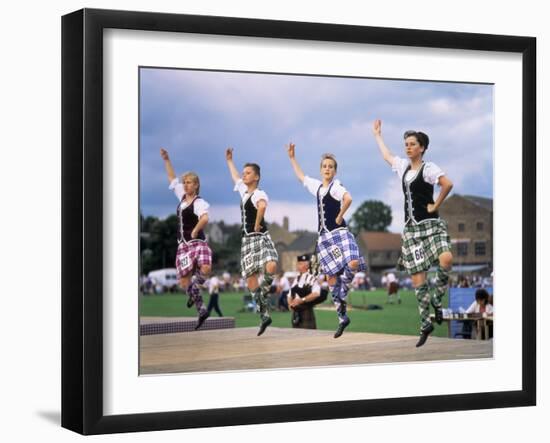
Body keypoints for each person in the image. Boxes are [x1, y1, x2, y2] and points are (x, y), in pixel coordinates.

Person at [372, 120, 454, 347]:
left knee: (446, 259)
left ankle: (437, 300)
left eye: (412, 144)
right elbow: (387, 155)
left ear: (422, 148)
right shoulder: (402, 168)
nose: (407, 147)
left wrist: (436, 205)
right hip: (411, 229)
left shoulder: (429, 168)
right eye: (406, 144)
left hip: (430, 225)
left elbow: (447, 184)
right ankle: (425, 322)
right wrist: (378, 135)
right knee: (418, 278)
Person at [287, 143, 367, 338]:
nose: (327, 169)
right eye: (324, 166)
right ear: (321, 169)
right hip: (324, 238)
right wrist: (292, 158)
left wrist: (340, 216)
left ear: (335, 170)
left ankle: (344, 288)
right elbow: (301, 177)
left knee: (353, 262)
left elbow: (348, 199)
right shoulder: (317, 187)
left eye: (331, 166)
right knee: (331, 277)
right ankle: (342, 317)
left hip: (339, 233)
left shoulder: (336, 186)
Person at [225, 147, 279, 336]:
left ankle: (265, 293)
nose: (244, 175)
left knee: (271, 265)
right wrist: (229, 161)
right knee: (250, 278)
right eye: (244, 172)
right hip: (247, 240)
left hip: (260, 236)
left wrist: (257, 224)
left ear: (256, 177)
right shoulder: (244, 192)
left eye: (248, 173)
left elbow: (262, 208)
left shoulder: (258, 193)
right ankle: (264, 314)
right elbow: (235, 178)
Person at [160, 148, 212, 330]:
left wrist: (196, 229)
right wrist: (167, 160)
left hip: (197, 242)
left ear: (196, 185)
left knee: (205, 267)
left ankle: (195, 289)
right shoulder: (181, 198)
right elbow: (172, 180)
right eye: (185, 183)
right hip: (183, 246)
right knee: (184, 282)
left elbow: (205, 218)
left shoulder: (199, 202)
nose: (186, 185)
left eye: (189, 182)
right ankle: (202, 310)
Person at [288, 254, 329, 329]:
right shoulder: (297, 278)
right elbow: (290, 294)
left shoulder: (312, 278)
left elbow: (316, 294)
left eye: (301, 264)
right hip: (296, 313)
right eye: (299, 263)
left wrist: (302, 300)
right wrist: (290, 303)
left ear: (307, 266)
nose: (298, 265)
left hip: (306, 311)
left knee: (309, 337)